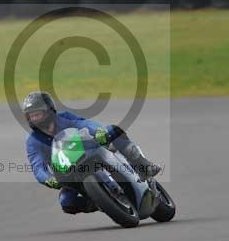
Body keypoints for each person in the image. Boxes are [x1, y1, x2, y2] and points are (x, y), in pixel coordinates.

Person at [23, 91, 161, 214]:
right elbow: (37, 167)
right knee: (66, 203)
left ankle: (144, 165)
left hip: (88, 154)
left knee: (114, 131)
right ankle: (100, 202)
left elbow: (84, 124)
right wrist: (47, 179)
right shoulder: (32, 142)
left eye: (37, 114)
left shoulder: (64, 118)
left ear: (49, 111)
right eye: (31, 116)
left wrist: (100, 132)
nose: (34, 119)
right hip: (69, 174)